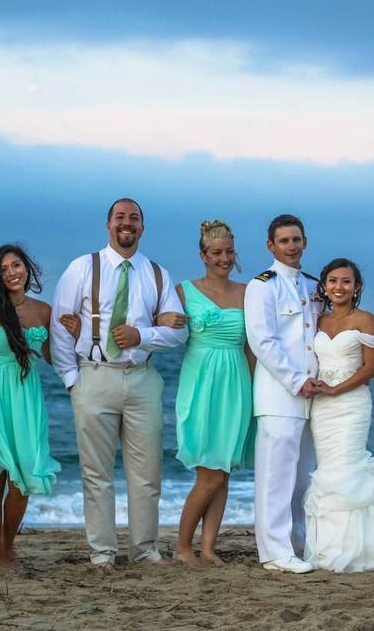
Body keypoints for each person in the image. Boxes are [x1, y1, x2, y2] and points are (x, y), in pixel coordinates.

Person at [50, 197, 188, 568]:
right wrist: (71, 380)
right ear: (108, 225)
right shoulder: (81, 268)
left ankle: (144, 550)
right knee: (96, 474)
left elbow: (179, 330)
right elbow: (60, 325)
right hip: (94, 377)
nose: (127, 224)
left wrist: (141, 336)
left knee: (147, 474)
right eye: (120, 218)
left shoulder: (158, 274)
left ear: (143, 227)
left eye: (134, 218)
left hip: (142, 379)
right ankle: (102, 553)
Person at [154, 220, 255, 566]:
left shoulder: (247, 292)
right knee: (208, 473)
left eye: (229, 252)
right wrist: (165, 322)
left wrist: (256, 392)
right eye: (216, 253)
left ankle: (208, 548)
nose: (223, 258)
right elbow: (159, 324)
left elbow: (253, 349)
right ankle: (182, 547)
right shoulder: (183, 291)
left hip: (237, 383)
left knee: (223, 471)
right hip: (201, 384)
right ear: (203, 255)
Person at [0, 244, 62, 570]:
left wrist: (72, 333)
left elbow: (52, 358)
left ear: (27, 267)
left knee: (26, 478)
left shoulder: (45, 311)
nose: (12, 273)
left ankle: (6, 546)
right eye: (4, 270)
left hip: (27, 397)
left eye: (16, 265)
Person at [302, 258, 374, 572]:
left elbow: (370, 368)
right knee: (330, 470)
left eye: (346, 281)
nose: (339, 287)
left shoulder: (365, 319)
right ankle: (329, 546)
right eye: (333, 281)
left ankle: (362, 550)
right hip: (322, 408)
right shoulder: (317, 320)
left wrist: (336, 389)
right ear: (324, 285)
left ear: (357, 287)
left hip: (351, 405)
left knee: (349, 467)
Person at [244, 214, 322, 574]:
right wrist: (296, 380)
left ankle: (298, 543)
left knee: (304, 476)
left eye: (296, 240)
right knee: (276, 477)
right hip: (280, 394)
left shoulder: (312, 285)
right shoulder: (262, 286)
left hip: (313, 396)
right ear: (270, 246)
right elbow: (263, 341)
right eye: (284, 241)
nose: (291, 246)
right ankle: (274, 551)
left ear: (305, 242)